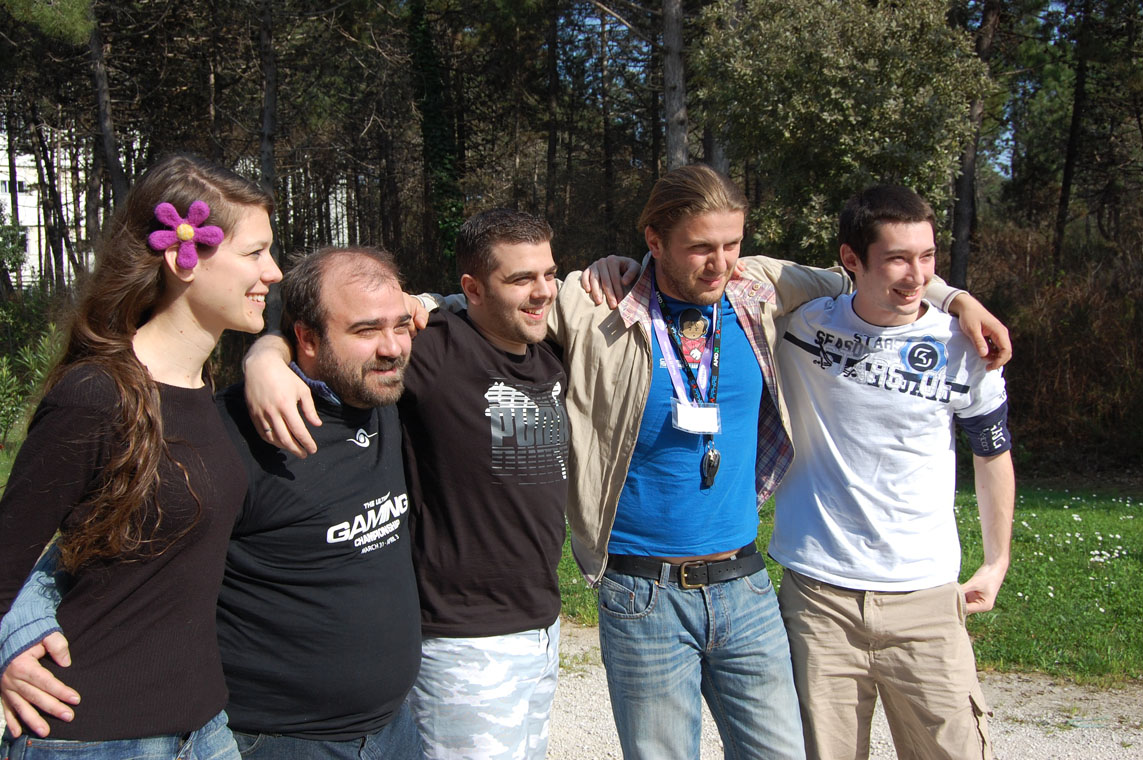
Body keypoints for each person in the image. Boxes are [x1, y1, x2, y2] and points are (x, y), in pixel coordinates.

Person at [247, 165, 1010, 760]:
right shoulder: (591, 302)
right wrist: (268, 352)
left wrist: (956, 298)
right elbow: (443, 309)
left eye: (731, 243)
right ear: (653, 240)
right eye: (700, 247)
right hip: (640, 592)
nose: (719, 263)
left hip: (744, 583)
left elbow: (873, 273)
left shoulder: (760, 287)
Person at [0, 245, 425, 759]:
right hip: (279, 741)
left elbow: (476, 301)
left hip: (395, 730)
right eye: (366, 331)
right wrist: (17, 634)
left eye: (400, 326)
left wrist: (266, 350)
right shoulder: (236, 434)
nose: (392, 348)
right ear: (308, 339)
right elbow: (81, 544)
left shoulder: (382, 395)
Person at [242, 209, 570, 759]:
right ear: (473, 289)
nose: (542, 292)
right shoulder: (432, 349)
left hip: (541, 626)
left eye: (549, 274)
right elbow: (336, 337)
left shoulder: (549, 354)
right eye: (520, 278)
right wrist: (265, 356)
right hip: (463, 641)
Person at [0, 154, 282, 759]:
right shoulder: (96, 394)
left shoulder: (201, 388)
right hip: (91, 734)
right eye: (256, 253)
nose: (274, 272)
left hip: (203, 727)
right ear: (184, 257)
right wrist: (8, 651)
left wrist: (269, 355)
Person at [768, 185, 1014, 760]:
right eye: (898, 259)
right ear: (850, 259)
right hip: (819, 598)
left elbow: (991, 453)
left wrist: (997, 560)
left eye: (927, 257)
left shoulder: (964, 346)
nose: (916, 275)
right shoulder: (799, 327)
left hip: (927, 599)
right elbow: (719, 277)